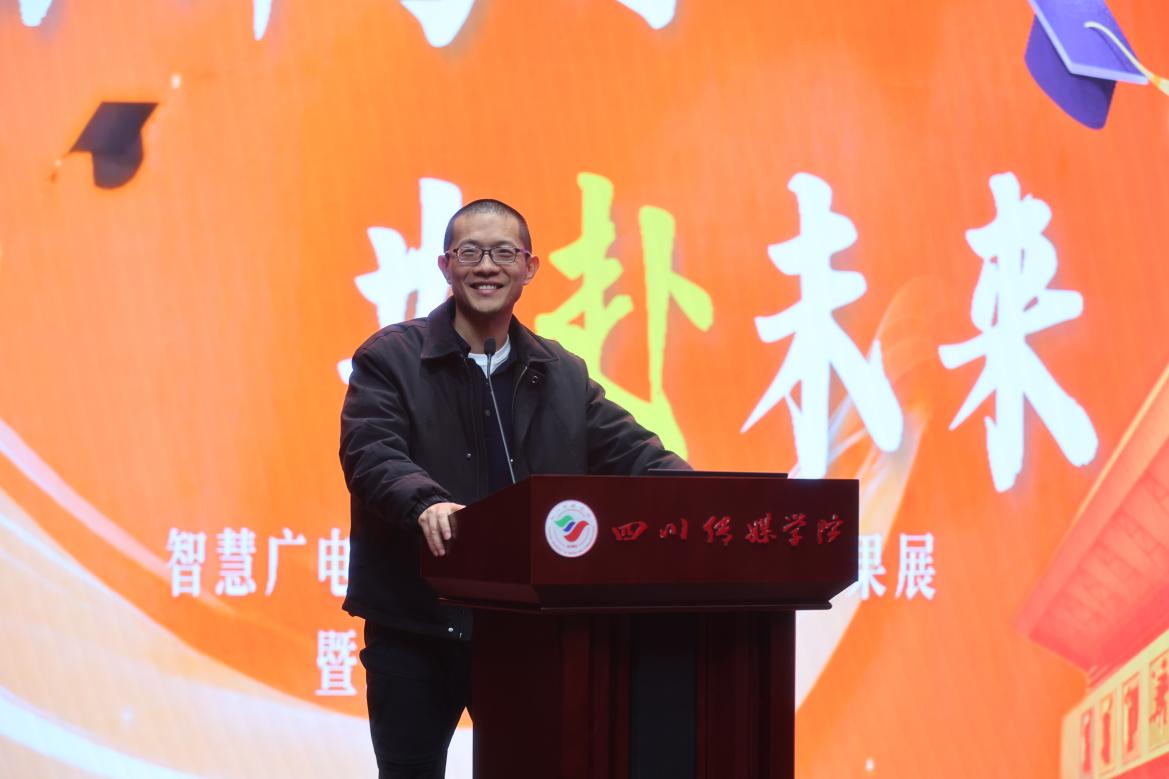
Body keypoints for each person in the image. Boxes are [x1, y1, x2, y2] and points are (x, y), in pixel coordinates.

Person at [339, 198, 687, 777]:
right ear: (446, 266)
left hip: (524, 632)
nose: (487, 267)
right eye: (470, 252)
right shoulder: (391, 359)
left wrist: (708, 502)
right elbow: (371, 451)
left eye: (504, 253)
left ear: (530, 268)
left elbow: (635, 455)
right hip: (416, 626)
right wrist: (425, 502)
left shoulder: (560, 373)